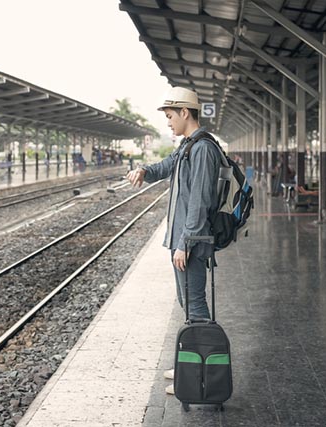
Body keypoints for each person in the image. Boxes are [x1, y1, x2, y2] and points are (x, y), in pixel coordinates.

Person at [126, 86, 221, 395]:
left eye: (169, 116)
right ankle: (190, 365)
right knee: (187, 302)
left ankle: (202, 374)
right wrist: (143, 170)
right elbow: (165, 167)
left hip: (190, 242)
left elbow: (199, 200)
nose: (167, 122)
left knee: (195, 305)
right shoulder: (187, 146)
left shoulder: (203, 148)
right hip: (182, 241)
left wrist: (186, 242)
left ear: (184, 112)